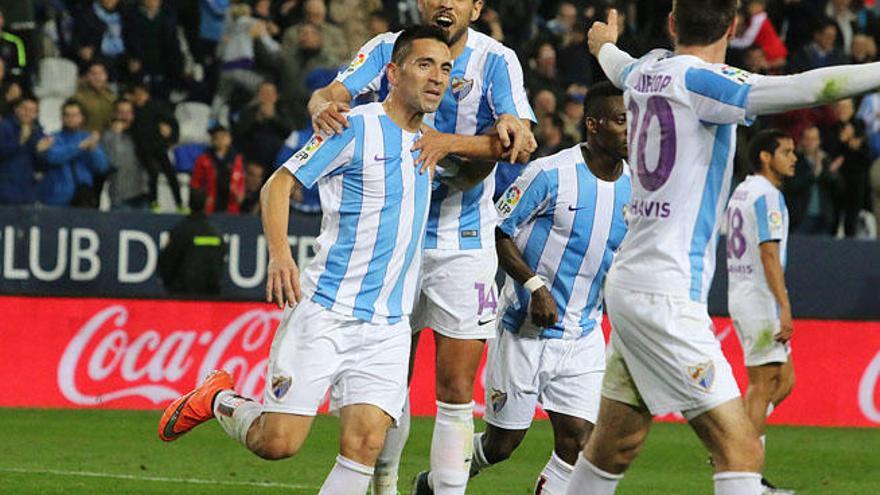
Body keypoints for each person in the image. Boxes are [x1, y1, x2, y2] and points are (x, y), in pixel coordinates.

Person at [568, 4, 880, 495]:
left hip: (629, 284)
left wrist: (602, 40)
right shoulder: (706, 83)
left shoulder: (646, 70)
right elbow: (806, 87)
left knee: (615, 446)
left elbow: (615, 61)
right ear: (733, 29)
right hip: (666, 294)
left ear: (671, 23)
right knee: (741, 450)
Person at [157, 26, 454, 495]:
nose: (437, 78)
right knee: (278, 443)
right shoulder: (354, 128)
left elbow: (493, 154)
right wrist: (280, 257)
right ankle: (218, 398)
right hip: (327, 311)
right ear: (393, 73)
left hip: (388, 325)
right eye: (425, 65)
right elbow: (277, 185)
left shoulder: (434, 144)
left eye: (445, 69)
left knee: (365, 446)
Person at [308, 2, 537, 492]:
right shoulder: (388, 49)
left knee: (456, 392)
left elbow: (516, 139)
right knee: (389, 383)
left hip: (465, 241)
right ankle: (385, 485)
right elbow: (332, 94)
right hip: (393, 243)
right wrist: (321, 103)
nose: (444, 2)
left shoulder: (497, 61)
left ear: (475, 6)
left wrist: (446, 143)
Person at [465, 82, 630, 495]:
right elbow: (497, 229)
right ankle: (440, 480)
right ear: (593, 125)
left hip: (584, 334)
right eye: (623, 120)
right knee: (502, 444)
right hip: (525, 330)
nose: (634, 129)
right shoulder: (549, 173)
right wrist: (535, 286)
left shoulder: (638, 187)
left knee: (578, 442)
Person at [726, 129, 797, 494]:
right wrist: (784, 305)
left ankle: (737, 438)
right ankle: (745, 473)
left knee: (783, 380)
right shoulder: (767, 196)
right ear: (766, 157)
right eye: (786, 151)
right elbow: (769, 253)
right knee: (762, 384)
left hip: (743, 291)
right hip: (759, 298)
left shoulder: (743, 190)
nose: (794, 158)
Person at [40, 99, 109, 207]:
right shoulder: (53, 137)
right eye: (67, 115)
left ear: (81, 117)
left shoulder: (87, 138)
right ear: (62, 117)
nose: (71, 119)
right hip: (57, 199)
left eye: (75, 115)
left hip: (83, 197)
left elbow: (102, 167)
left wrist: (93, 150)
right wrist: (79, 147)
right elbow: (53, 157)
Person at [158, 188, 226, 295]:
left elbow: (167, 262)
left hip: (184, 296)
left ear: (188, 204)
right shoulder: (216, 233)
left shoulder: (180, 231)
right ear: (206, 204)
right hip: (211, 297)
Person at [130, 82, 183, 211]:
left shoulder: (156, 107)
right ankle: (154, 203)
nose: (138, 97)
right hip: (142, 148)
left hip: (158, 146)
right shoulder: (132, 110)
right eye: (136, 94)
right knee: (153, 173)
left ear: (146, 94)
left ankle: (180, 203)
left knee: (170, 173)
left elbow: (172, 123)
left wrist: (172, 138)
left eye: (140, 94)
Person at [0, 95, 52, 205]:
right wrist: (20, 142)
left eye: (32, 110)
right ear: (16, 109)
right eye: (24, 109)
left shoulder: (38, 133)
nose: (28, 113)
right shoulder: (4, 127)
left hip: (27, 193)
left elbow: (43, 166)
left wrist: (39, 152)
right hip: (4, 190)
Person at [102, 98, 150, 210]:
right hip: (121, 198)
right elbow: (115, 161)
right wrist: (116, 135)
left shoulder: (139, 135)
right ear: (114, 115)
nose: (125, 117)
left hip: (143, 195)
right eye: (121, 113)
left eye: (128, 113)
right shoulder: (108, 137)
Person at [191, 125, 245, 214]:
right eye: (216, 137)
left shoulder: (237, 159)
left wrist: (240, 192)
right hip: (210, 205)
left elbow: (240, 179)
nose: (220, 140)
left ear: (229, 138)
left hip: (231, 205)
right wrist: (201, 199)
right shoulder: (203, 159)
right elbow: (196, 182)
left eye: (223, 137)